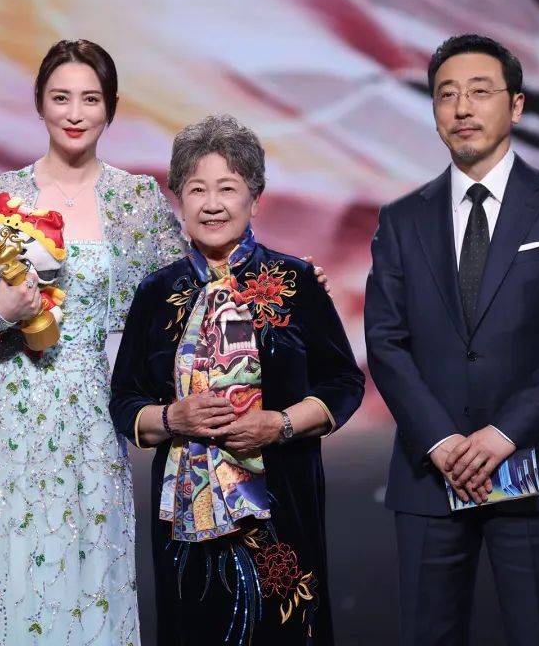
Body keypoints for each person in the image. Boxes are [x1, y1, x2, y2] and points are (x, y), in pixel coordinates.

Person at [0, 39, 185, 645]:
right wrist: (1, 310)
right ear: (39, 103)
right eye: (61, 98)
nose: (75, 113)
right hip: (2, 412)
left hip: (88, 413)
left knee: (82, 570)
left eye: (90, 99)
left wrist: (289, 282)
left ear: (111, 108)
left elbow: (188, 289)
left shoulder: (137, 200)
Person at [364, 34, 539, 645]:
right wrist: (442, 440)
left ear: (516, 105)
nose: (462, 108)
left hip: (535, 467)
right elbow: (385, 342)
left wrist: (505, 433)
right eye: (446, 95)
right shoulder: (401, 219)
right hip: (430, 471)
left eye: (479, 91)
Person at [109, 114, 365, 646]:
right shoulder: (156, 293)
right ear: (179, 200)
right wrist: (171, 418)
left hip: (282, 503)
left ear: (255, 198)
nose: (212, 204)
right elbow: (125, 399)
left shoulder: (295, 281)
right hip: (184, 524)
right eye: (196, 189)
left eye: (228, 188)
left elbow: (344, 382)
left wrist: (281, 424)